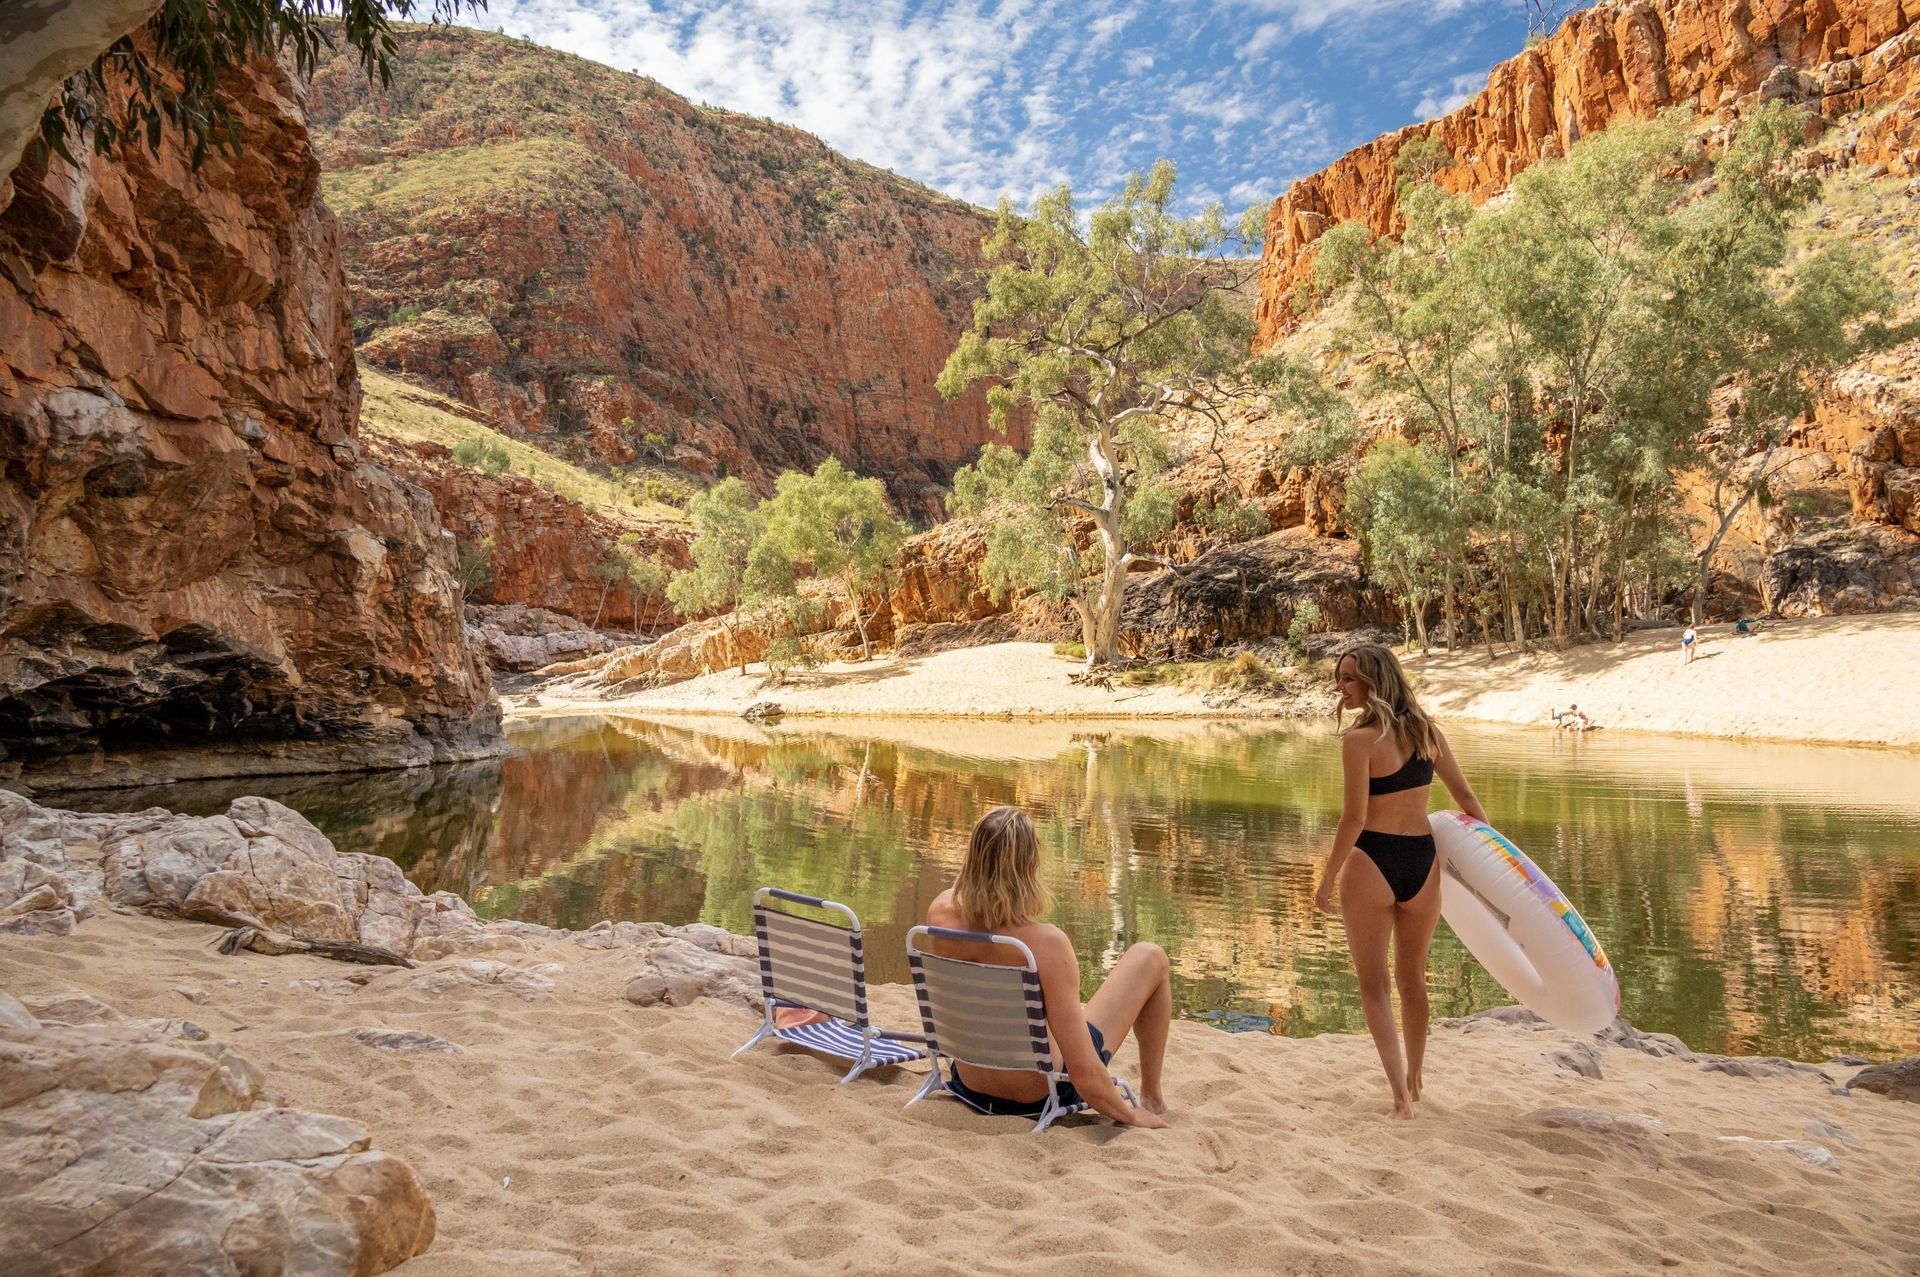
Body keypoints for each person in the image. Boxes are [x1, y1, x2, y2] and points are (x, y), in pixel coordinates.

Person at [1315, 643, 1488, 1120]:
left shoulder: (1358, 741)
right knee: (1413, 979)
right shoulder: (1428, 732)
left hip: (1372, 860)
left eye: (1348, 678)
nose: (1340, 687)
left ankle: (1399, 1098)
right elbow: (1467, 798)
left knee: (1375, 987)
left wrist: (1327, 877)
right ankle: (1415, 1077)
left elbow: (1354, 819)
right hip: (1422, 862)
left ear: (1374, 681)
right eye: (1339, 678)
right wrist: (1494, 863)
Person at [925, 806, 1169, 1128]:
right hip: (1041, 1092)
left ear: (972, 856)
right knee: (1150, 957)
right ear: (1031, 864)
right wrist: (1130, 1114)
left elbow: (965, 893)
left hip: (970, 1083)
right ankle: (1152, 1096)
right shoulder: (1045, 944)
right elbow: (1083, 1072)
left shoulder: (940, 915)